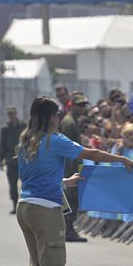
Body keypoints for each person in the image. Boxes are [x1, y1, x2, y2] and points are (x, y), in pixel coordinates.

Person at [16, 96, 133, 266]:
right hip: (45, 210)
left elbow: (34, 178)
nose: (59, 118)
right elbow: (90, 153)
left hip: (26, 206)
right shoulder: (55, 140)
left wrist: (63, 181)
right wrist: (120, 159)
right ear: (50, 117)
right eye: (57, 114)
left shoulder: (26, 140)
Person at [59, 94, 90, 242]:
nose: (82, 108)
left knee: (72, 198)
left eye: (84, 105)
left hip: (72, 164)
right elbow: (66, 147)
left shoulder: (73, 122)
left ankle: (69, 229)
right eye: (79, 105)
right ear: (72, 105)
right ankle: (68, 230)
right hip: (69, 166)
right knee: (70, 198)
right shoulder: (69, 123)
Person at [0, 106, 26, 214]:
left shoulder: (23, 125)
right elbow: (2, 145)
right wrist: (1, 160)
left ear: (16, 114)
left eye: (13, 113)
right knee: (13, 184)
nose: (11, 116)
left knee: (25, 183)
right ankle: (15, 205)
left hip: (23, 158)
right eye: (9, 114)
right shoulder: (5, 128)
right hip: (10, 159)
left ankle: (25, 205)